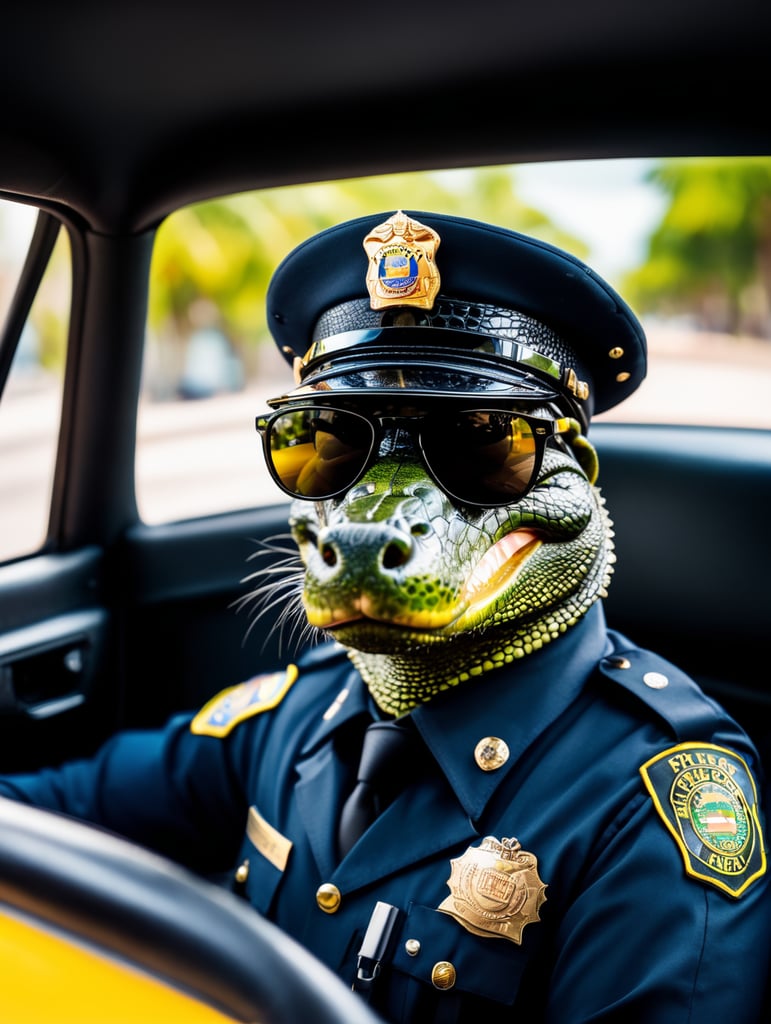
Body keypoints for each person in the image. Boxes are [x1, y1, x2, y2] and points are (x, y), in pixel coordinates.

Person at [0, 209, 768, 1022]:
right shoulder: (293, 713)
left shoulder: (654, 804)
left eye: (480, 441)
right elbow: (48, 817)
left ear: (572, 470)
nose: (369, 516)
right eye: (327, 440)